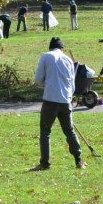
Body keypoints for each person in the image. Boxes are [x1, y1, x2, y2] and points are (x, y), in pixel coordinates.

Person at [32, 37, 85, 170]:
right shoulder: (68, 60)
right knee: (70, 131)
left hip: (50, 100)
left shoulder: (46, 56)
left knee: (45, 131)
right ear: (62, 48)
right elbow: (72, 85)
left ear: (50, 47)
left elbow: (38, 79)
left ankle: (45, 163)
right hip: (66, 101)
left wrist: (48, 83)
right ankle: (79, 161)